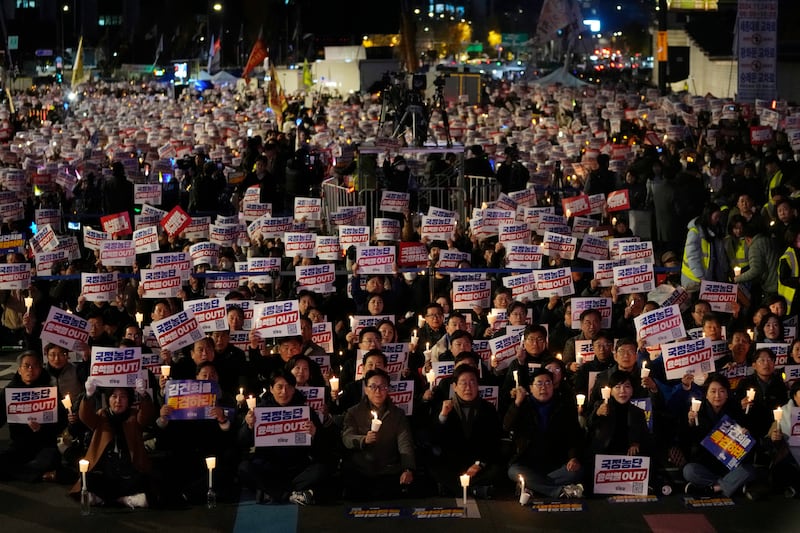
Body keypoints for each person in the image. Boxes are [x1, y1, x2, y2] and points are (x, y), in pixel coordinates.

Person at [239, 369, 334, 505]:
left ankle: (271, 492)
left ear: (294, 390)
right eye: (279, 387)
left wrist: (315, 434)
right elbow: (242, 441)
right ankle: (289, 495)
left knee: (323, 469)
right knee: (244, 468)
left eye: (289, 387)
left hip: (297, 468)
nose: (284, 391)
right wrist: (249, 427)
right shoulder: (258, 411)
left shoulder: (305, 411)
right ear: (271, 389)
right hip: (268, 467)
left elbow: (323, 446)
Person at [155, 362, 238, 504]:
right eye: (204, 375)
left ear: (217, 378)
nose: (208, 378)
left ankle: (189, 494)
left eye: (212, 375)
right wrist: (163, 417)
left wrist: (222, 419)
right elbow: (164, 433)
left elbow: (232, 435)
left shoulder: (226, 398)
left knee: (225, 470)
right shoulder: (180, 397)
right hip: (187, 448)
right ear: (196, 377)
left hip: (213, 450)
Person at [73, 378, 155, 508]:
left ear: (129, 400)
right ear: (108, 399)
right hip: (106, 473)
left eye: (123, 397)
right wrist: (88, 396)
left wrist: (144, 395)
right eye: (114, 396)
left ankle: (108, 499)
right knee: (87, 479)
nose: (118, 401)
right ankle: (123, 499)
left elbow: (146, 416)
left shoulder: (134, 416)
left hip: (128, 473)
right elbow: (84, 416)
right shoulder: (102, 415)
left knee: (147, 480)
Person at [505, 368, 585, 498]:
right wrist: (517, 403)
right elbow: (507, 426)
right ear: (531, 388)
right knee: (513, 471)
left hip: (555, 462)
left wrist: (573, 457)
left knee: (576, 471)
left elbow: (574, 435)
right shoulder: (523, 406)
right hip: (528, 462)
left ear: (553, 386)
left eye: (548, 383)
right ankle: (558, 491)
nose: (544, 387)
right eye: (539, 383)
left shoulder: (564, 407)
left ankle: (531, 486)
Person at [429, 365, 502, 498]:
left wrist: (479, 464)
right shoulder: (444, 406)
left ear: (478, 386)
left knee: (497, 470)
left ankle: (453, 489)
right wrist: (443, 416)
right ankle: (474, 490)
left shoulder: (488, 408)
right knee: (434, 467)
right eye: (463, 383)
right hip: (453, 462)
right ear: (455, 387)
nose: (468, 388)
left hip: (478, 462)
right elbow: (434, 438)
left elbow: (494, 440)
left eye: (472, 382)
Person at [341, 369, 415, 499]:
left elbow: (405, 443)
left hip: (388, 468)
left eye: (382, 387)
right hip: (361, 468)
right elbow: (347, 437)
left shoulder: (397, 414)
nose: (378, 391)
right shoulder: (353, 412)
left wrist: (407, 468)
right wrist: (363, 440)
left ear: (388, 389)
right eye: (373, 386)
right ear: (366, 389)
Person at [681, 375, 757, 499]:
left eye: (722, 391)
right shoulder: (696, 412)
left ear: (727, 394)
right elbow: (687, 439)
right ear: (706, 394)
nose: (717, 396)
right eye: (713, 391)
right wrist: (690, 423)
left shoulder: (736, 410)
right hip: (706, 464)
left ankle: (713, 489)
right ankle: (732, 486)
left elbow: (748, 446)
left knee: (749, 470)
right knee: (689, 471)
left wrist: (745, 436)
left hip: (730, 466)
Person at [0, 351, 64, 482]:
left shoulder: (50, 392)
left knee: (50, 459)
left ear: (40, 369)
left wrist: (41, 428)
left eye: (35, 366)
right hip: (19, 445)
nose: (31, 369)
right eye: (26, 366)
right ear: (19, 370)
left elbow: (61, 423)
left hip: (44, 445)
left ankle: (22, 473)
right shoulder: (8, 392)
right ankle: (41, 475)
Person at [587, 370, 650, 458]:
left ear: (632, 391)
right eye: (617, 387)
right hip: (603, 455)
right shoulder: (601, 406)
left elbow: (645, 437)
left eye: (627, 386)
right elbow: (589, 425)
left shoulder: (638, 412)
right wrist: (597, 414)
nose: (622, 391)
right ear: (611, 391)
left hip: (628, 457)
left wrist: (637, 444)